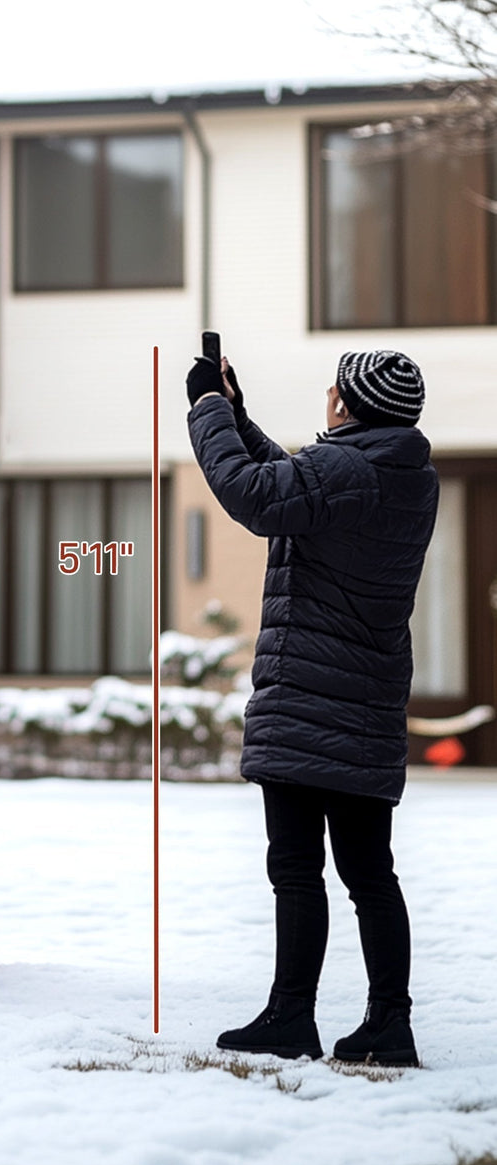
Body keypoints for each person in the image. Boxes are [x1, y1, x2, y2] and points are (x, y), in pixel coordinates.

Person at [186, 349, 438, 1066]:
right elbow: (292, 483)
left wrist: (206, 409)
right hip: (365, 703)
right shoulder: (399, 470)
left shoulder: (347, 470)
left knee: (296, 866)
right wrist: (235, 414)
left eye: (336, 387)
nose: (327, 394)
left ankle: (290, 1015)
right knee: (369, 872)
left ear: (348, 405)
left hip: (308, 698)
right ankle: (390, 1024)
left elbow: (254, 495)